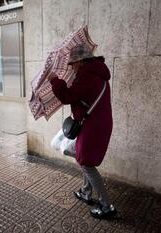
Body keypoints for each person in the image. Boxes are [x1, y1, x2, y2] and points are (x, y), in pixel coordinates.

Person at [48, 44, 116, 219]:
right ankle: (86, 192)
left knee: (87, 163)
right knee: (83, 159)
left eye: (73, 63)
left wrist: (54, 80)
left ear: (81, 61)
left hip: (93, 126)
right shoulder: (96, 74)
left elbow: (67, 96)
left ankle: (107, 205)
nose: (71, 66)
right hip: (96, 124)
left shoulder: (87, 76)